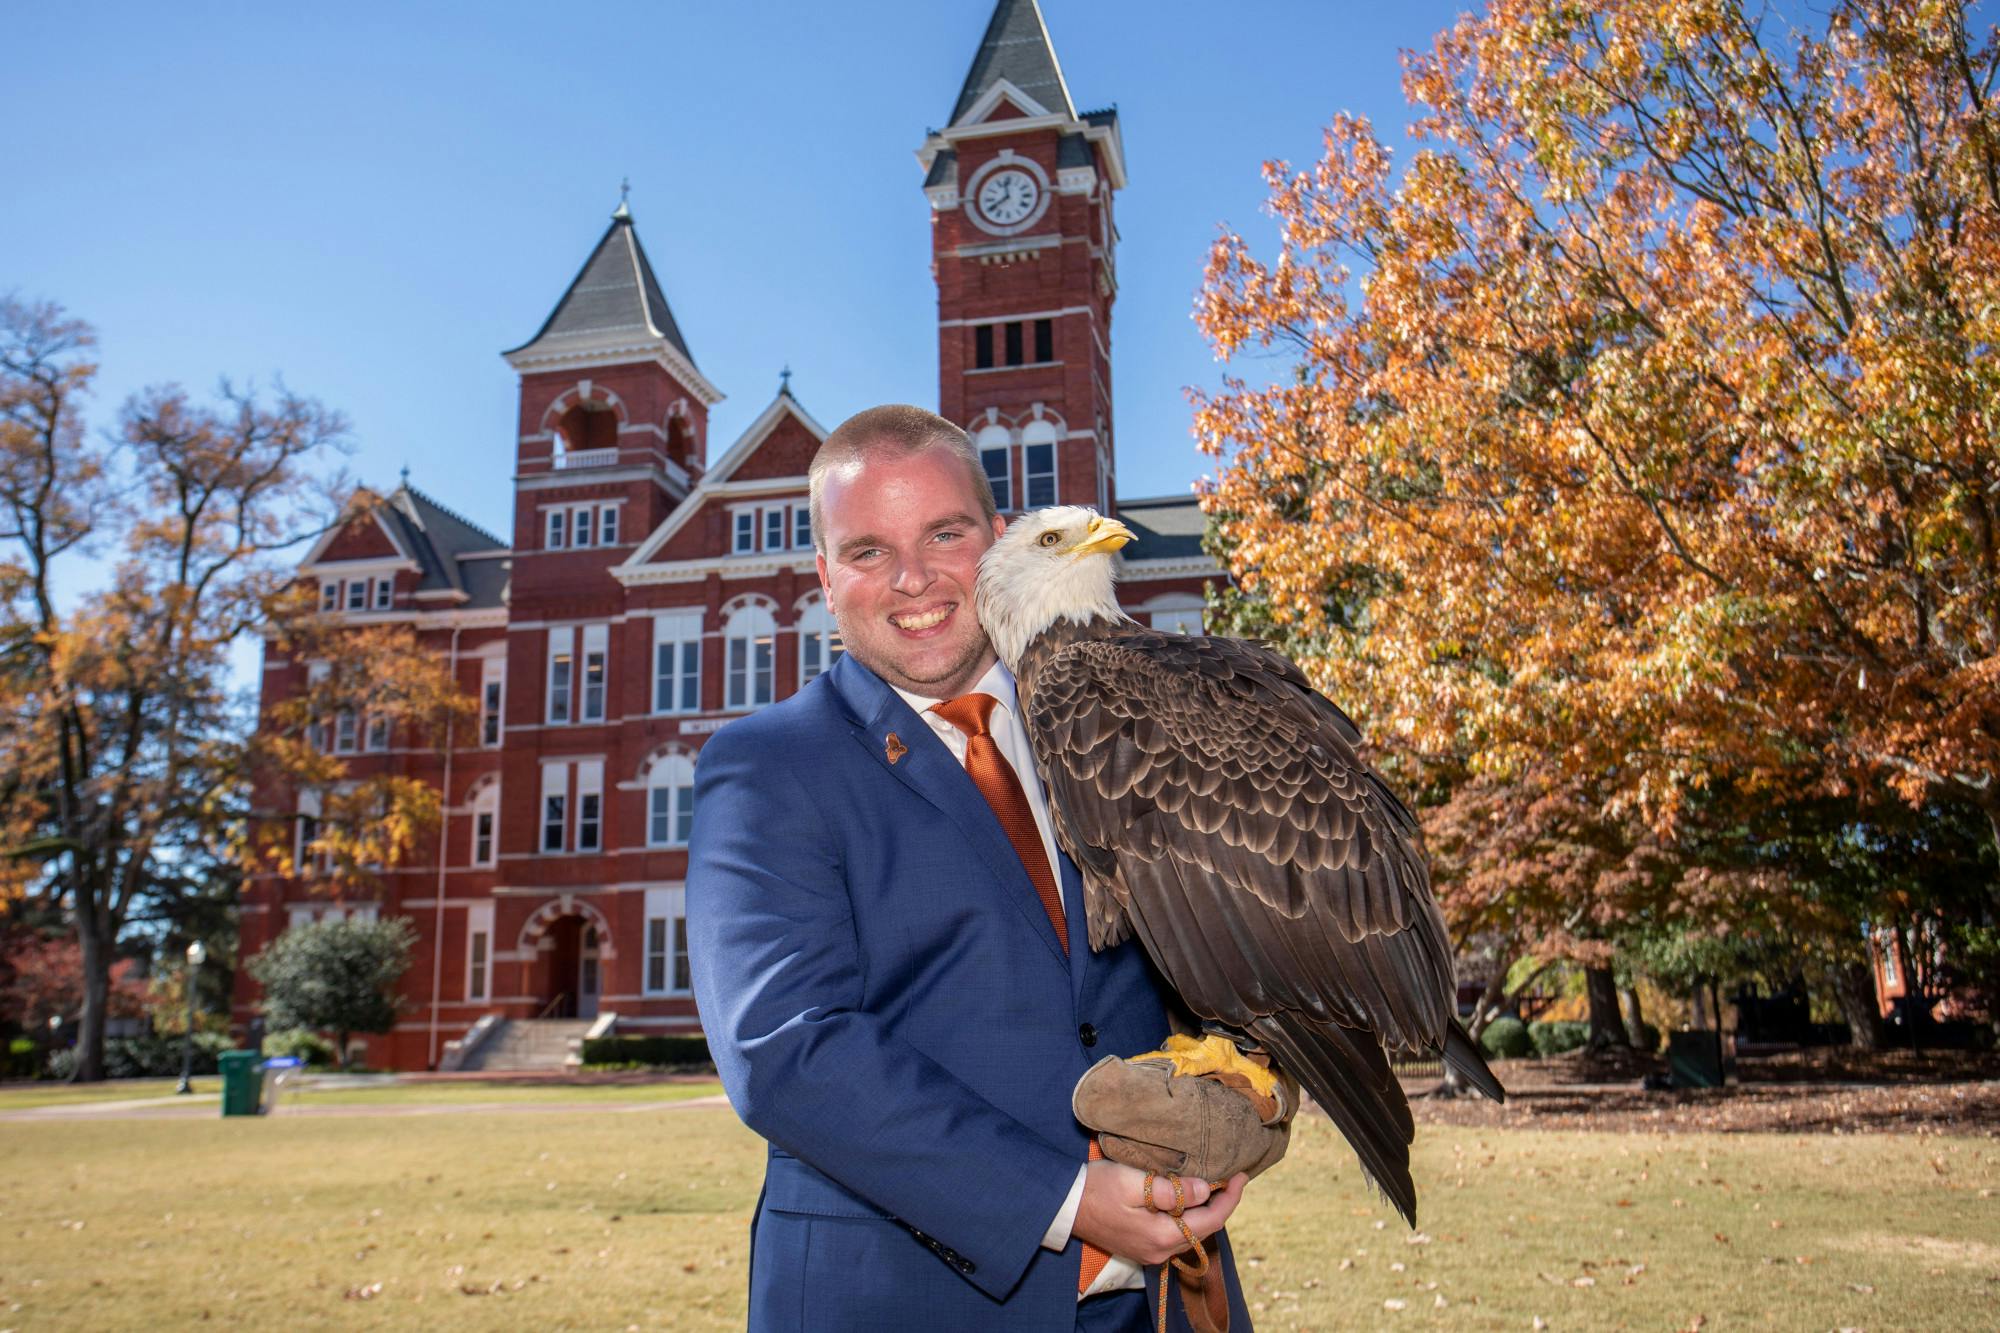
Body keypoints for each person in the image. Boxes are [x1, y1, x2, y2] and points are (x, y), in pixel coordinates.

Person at [687, 405, 1253, 1331]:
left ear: (996, 539)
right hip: (904, 1298)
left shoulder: (1114, 726)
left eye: (943, 533)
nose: (912, 579)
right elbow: (786, 1051)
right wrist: (1066, 1199)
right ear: (826, 579)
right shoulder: (767, 766)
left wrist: (1258, 1064)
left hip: (1162, 1295)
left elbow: (1202, 943)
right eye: (867, 551)